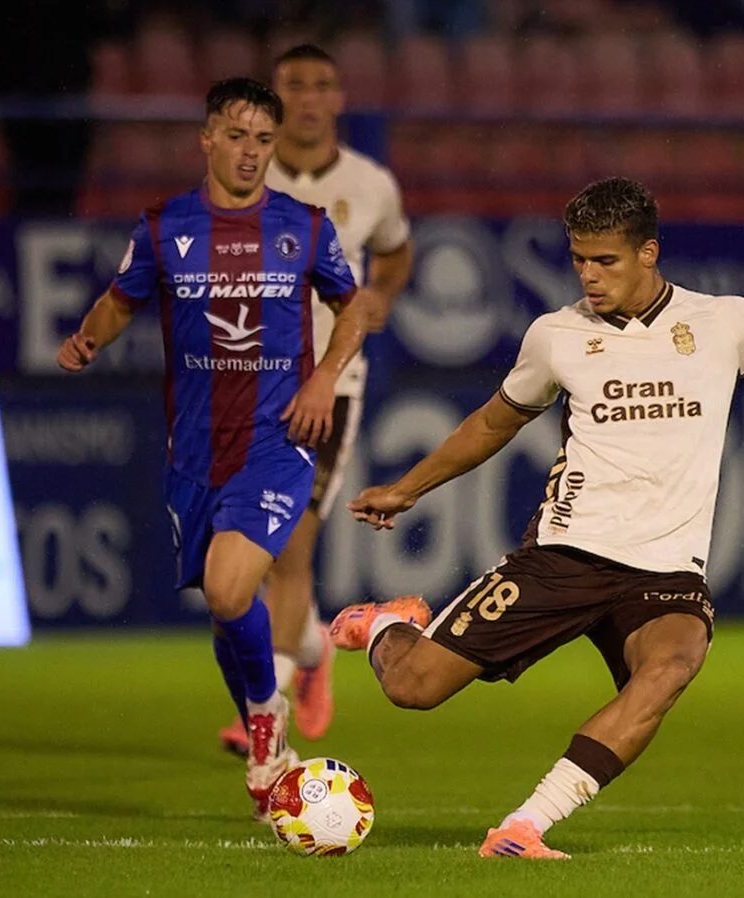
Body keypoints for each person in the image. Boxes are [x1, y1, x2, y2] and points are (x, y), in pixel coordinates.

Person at [334, 176, 744, 858]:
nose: (589, 276)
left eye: (606, 261)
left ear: (648, 252)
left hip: (667, 570)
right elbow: (493, 422)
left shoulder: (724, 323)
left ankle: (525, 825)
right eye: (579, 260)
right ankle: (390, 624)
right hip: (567, 554)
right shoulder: (557, 336)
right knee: (414, 689)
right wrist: (409, 487)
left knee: (672, 664)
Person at [55, 77, 374, 816]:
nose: (251, 153)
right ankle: (268, 723)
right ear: (206, 139)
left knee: (234, 588)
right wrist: (87, 340)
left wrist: (326, 378)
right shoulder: (166, 227)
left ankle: (266, 720)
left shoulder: (304, 225)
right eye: (237, 137)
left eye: (264, 140)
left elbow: (353, 307)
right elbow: (120, 300)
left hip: (278, 441)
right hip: (194, 451)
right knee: (224, 610)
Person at [216, 43, 418, 757]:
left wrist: (382, 296)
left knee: (291, 544)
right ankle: (312, 649)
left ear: (338, 99)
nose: (307, 98)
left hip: (330, 385)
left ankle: (258, 714)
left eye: (321, 86)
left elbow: (394, 250)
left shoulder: (369, 184)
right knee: (247, 556)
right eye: (293, 85)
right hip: (244, 384)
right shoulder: (244, 177)